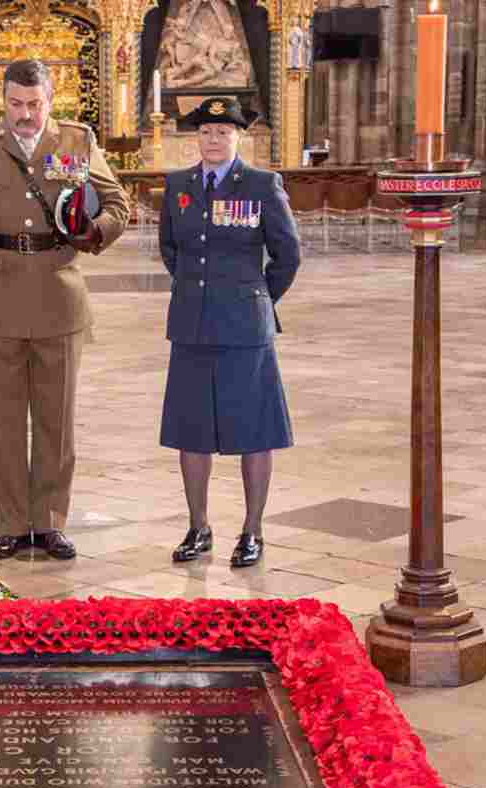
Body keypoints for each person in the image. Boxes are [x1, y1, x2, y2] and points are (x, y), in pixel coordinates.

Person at [0, 58, 130, 561]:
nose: (24, 115)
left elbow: (119, 204)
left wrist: (96, 233)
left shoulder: (77, 140)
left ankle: (49, 524)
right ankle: (10, 524)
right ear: (1, 100)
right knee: (3, 422)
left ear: (51, 100)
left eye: (34, 104)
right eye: (14, 104)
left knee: (57, 420)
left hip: (57, 294)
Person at [157, 96, 300, 568]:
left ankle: (252, 531)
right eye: (205, 132)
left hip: (245, 327)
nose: (213, 140)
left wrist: (255, 297)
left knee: (254, 432)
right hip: (192, 325)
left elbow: (287, 256)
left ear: (239, 137)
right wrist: (200, 294)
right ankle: (198, 528)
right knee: (190, 432)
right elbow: (171, 250)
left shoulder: (261, 185)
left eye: (223, 132)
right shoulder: (178, 185)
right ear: (195, 138)